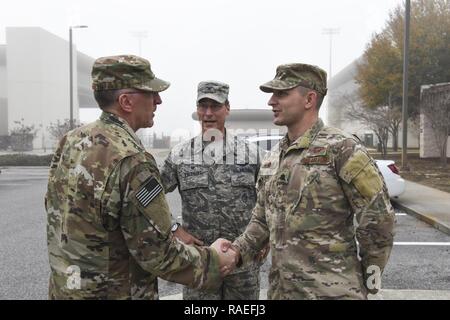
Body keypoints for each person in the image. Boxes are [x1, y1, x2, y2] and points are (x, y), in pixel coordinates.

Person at [45, 55, 235, 300]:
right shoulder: (133, 160)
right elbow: (157, 253)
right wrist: (214, 260)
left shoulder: (71, 141)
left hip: (67, 290)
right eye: (151, 93)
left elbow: (53, 210)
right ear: (126, 101)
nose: (158, 100)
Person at [217, 63, 395, 300]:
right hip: (282, 293)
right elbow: (262, 219)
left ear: (309, 99)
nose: (271, 101)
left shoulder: (342, 150)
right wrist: (237, 252)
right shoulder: (273, 158)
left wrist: (370, 283)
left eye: (281, 94)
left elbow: (378, 222)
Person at [160, 81, 263, 300]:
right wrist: (174, 228)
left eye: (214, 106)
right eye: (202, 106)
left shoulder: (251, 154)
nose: (208, 113)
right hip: (200, 264)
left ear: (227, 108)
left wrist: (266, 239)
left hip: (243, 264)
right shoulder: (180, 155)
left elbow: (272, 199)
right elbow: (151, 197)